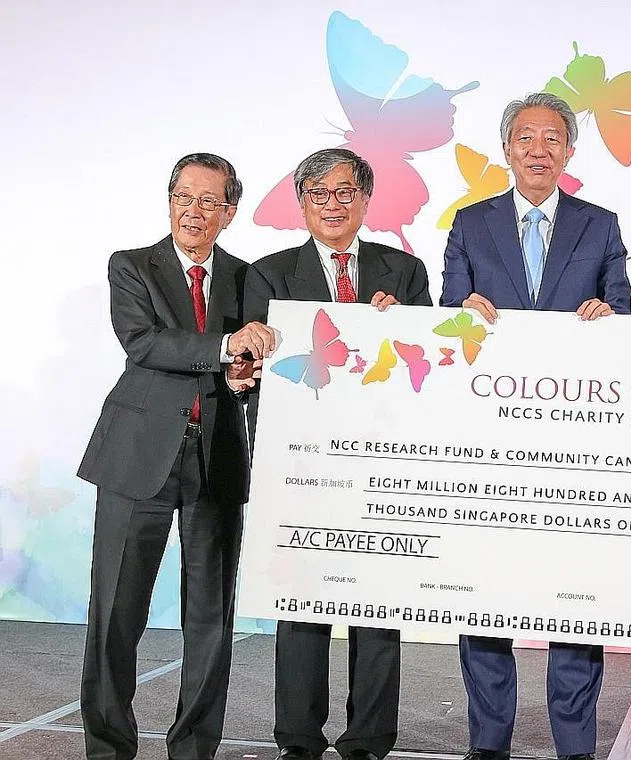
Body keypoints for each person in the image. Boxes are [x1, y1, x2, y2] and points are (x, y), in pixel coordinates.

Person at [441, 92, 631, 760]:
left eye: (553, 138)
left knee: (574, 597)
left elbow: (623, 317)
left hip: (576, 445)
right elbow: (446, 324)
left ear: (570, 151)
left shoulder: (600, 226)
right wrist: (460, 314)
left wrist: (610, 318)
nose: (539, 150)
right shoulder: (470, 225)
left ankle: (575, 746)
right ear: (507, 148)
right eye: (526, 137)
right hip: (488, 443)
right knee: (482, 597)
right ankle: (488, 742)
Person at [78, 153, 275, 760]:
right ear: (169, 202)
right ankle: (108, 748)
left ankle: (193, 748)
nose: (194, 211)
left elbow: (251, 363)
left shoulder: (248, 278)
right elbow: (143, 343)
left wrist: (243, 375)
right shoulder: (133, 265)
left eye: (209, 201)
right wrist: (225, 347)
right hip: (137, 458)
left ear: (230, 212)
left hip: (216, 457)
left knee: (211, 619)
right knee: (115, 614)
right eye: (183, 198)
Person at [243, 148, 432, 760]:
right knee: (302, 603)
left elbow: (427, 366)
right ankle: (298, 738)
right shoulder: (268, 275)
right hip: (303, 465)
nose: (333, 204)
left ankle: (369, 739)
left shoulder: (405, 272)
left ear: (366, 200)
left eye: (346, 192)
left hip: (382, 458)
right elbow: (255, 371)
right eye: (318, 194)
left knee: (378, 603)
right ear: (302, 203)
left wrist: (403, 329)